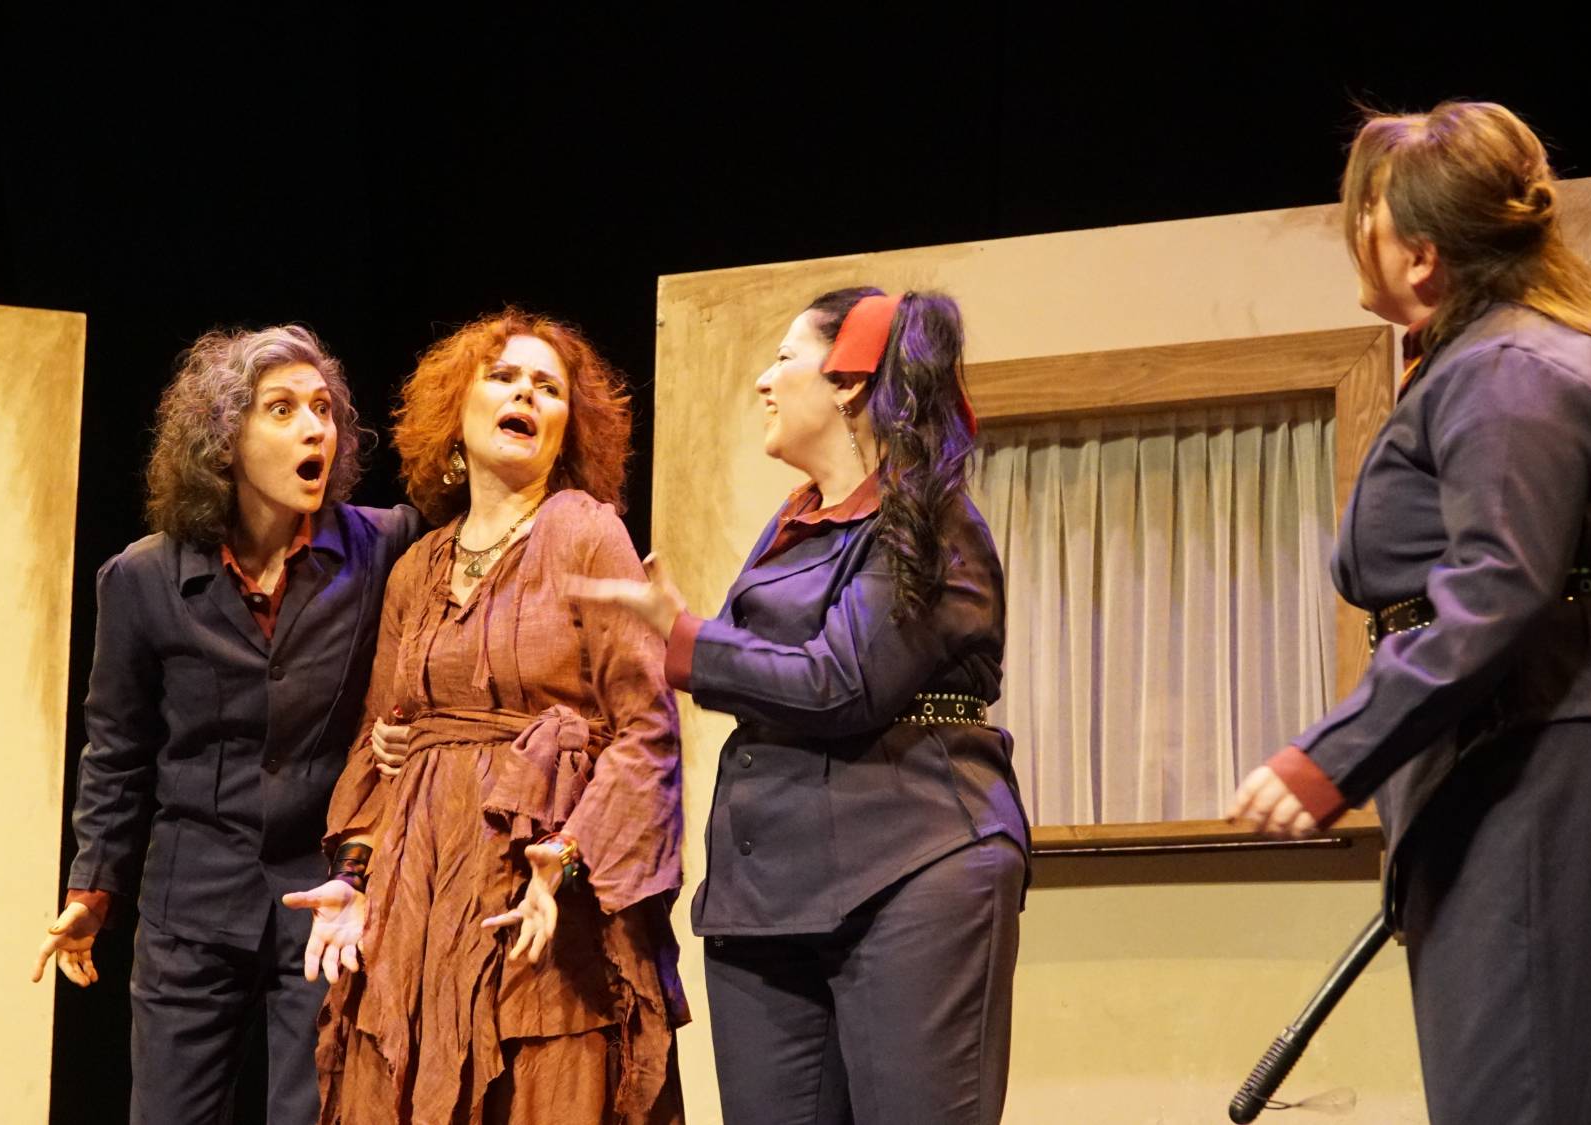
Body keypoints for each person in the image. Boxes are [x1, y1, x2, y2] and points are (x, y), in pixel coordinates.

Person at [1229, 101, 1591, 1124]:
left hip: (1531, 767)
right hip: (1501, 759)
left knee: (1524, 1086)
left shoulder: (1510, 368)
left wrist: (1332, 755)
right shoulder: (1483, 358)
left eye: (1366, 212)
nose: (1353, 230)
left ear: (1422, 253)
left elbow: (1498, 583)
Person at [576, 287, 1030, 1124]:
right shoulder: (794, 524)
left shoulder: (929, 519)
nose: (763, 380)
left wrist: (685, 636)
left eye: (785, 358)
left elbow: (841, 680)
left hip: (910, 866)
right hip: (771, 891)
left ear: (848, 382)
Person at [283, 310, 687, 1124]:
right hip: (419, 908)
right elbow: (377, 742)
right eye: (503, 378)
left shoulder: (586, 533)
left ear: (567, 428)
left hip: (539, 906)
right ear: (456, 415)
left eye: (547, 387)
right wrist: (355, 878)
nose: (525, 394)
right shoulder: (417, 567)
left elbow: (646, 729)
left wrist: (566, 858)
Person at [31, 325, 424, 1124]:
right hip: (192, 899)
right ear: (224, 440)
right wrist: (93, 886)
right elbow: (118, 749)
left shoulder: (383, 546)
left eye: (323, 410)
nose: (314, 429)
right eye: (282, 410)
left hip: (324, 895)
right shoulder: (144, 576)